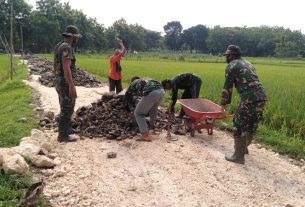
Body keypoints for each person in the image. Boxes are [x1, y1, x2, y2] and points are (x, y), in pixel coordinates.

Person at [221, 45, 268, 164]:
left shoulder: (231, 66)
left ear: (230, 55)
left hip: (250, 98)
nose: (226, 58)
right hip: (262, 97)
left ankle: (238, 156)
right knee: (251, 123)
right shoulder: (248, 63)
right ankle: (244, 148)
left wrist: (223, 104)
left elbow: (228, 87)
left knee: (238, 122)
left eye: (227, 56)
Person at [53, 25, 81, 142]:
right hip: (65, 82)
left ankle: (68, 128)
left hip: (59, 80)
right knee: (67, 108)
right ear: (73, 37)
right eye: (76, 38)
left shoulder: (59, 46)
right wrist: (71, 85)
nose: (77, 40)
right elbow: (66, 67)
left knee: (64, 105)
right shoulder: (67, 48)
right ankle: (63, 136)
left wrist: (56, 77)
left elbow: (55, 65)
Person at [124, 77, 165, 141]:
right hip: (161, 91)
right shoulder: (146, 79)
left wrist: (129, 110)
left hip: (152, 93)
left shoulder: (133, 83)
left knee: (138, 114)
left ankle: (145, 135)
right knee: (153, 109)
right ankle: (152, 128)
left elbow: (126, 96)